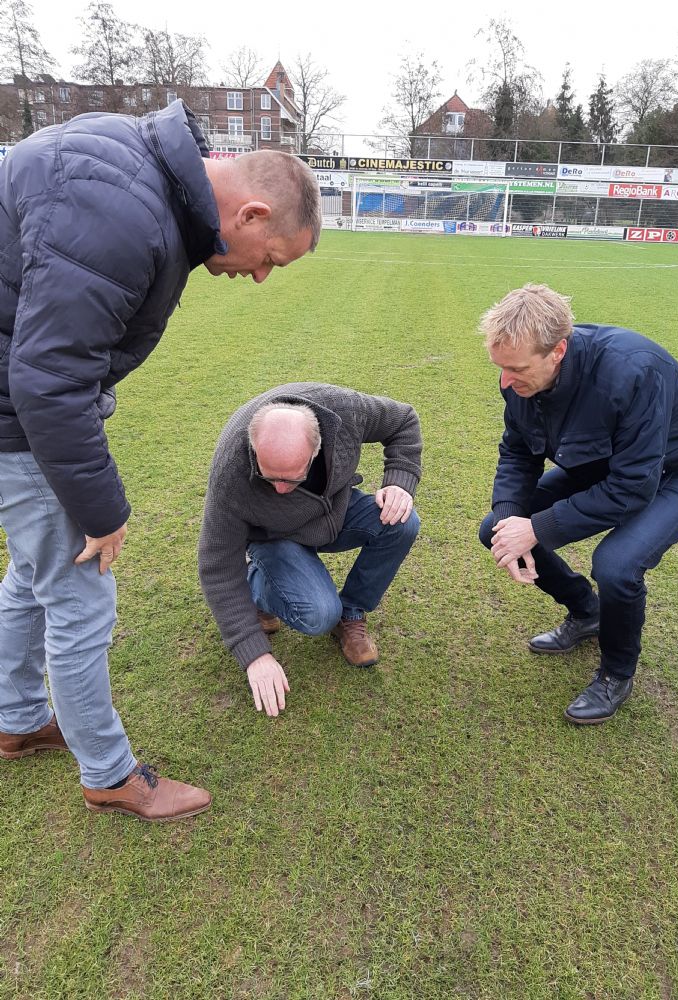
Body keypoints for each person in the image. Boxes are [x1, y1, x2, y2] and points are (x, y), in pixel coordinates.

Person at [0, 100, 321, 821]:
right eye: (270, 259)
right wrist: (102, 511)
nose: (261, 278)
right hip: (15, 418)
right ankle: (109, 774)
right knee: (79, 598)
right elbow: (48, 382)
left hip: (15, 403)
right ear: (251, 214)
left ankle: (15, 718)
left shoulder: (135, 164)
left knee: (33, 572)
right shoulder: (125, 213)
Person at [478, 284, 678, 724]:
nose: (505, 382)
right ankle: (586, 612)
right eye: (500, 368)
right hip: (609, 460)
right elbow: (518, 452)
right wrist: (511, 516)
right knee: (496, 528)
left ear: (558, 351)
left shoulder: (632, 371)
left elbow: (633, 488)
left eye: (516, 369)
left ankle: (616, 674)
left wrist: (536, 528)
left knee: (616, 565)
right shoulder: (517, 377)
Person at [198, 383, 422, 717]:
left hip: (333, 513)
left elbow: (402, 420)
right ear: (254, 449)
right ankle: (256, 583)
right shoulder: (231, 471)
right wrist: (254, 653)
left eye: (292, 478)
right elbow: (216, 566)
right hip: (273, 536)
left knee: (402, 522)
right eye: (269, 478)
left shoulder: (346, 411)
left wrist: (399, 480)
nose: (280, 489)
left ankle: (351, 613)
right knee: (318, 614)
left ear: (316, 449)